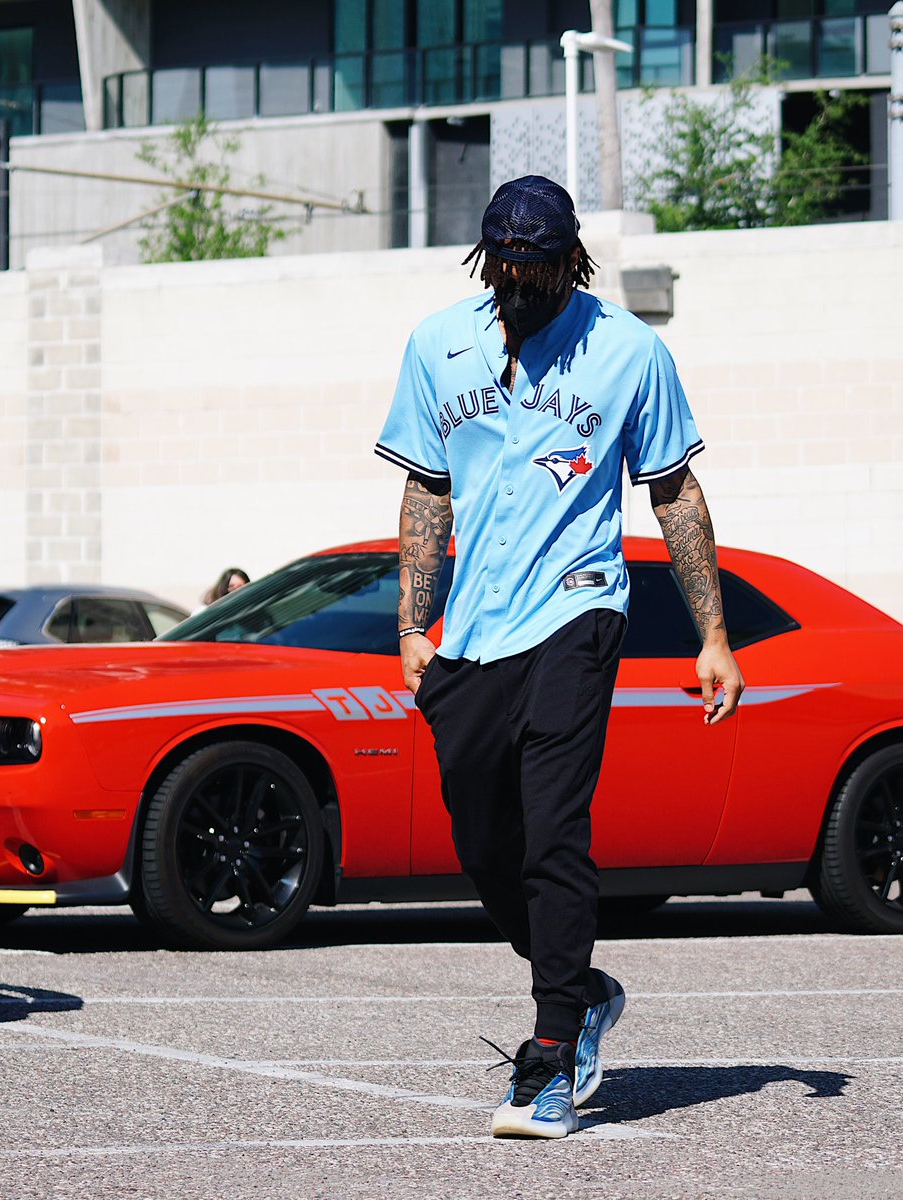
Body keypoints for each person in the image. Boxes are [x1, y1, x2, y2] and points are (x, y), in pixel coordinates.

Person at [375, 175, 745, 1140]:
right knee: (482, 837)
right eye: (505, 264)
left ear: (569, 259)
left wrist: (712, 635)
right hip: (476, 630)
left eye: (537, 266)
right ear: (484, 256)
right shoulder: (434, 344)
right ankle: (581, 984)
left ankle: (548, 1054)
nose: (519, 281)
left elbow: (674, 493)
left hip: (581, 612)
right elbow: (425, 492)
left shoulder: (628, 350)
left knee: (551, 827)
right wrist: (414, 625)